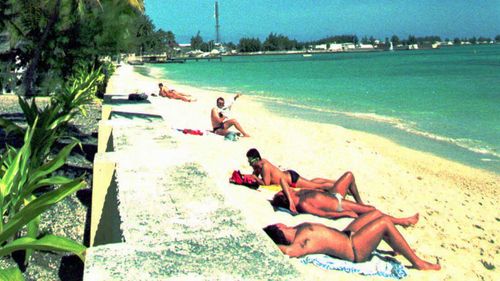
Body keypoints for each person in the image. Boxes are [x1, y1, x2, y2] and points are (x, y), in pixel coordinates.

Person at [263, 210, 440, 270]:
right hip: (354, 249)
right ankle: (418, 263)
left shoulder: (297, 230)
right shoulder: (301, 242)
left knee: (375, 214)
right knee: (384, 223)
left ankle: (402, 225)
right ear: (278, 227)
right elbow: (289, 251)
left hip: (346, 234)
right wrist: (267, 242)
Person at [272, 178, 418, 224]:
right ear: (284, 198)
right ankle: (402, 221)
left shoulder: (297, 193)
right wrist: (345, 214)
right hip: (338, 204)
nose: (286, 190)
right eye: (283, 193)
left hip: (333, 194)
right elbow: (323, 214)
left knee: (349, 175)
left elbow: (282, 181)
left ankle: (359, 203)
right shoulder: (302, 204)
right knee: (372, 211)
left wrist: (289, 196)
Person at [246, 148, 364, 204]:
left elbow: (266, 184)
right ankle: (338, 183)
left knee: (316, 186)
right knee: (314, 182)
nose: (249, 164)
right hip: (289, 175)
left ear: (256, 160)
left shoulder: (265, 167)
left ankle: (342, 185)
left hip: (292, 180)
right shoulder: (259, 165)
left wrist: (256, 178)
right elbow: (254, 175)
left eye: (250, 162)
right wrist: (251, 176)